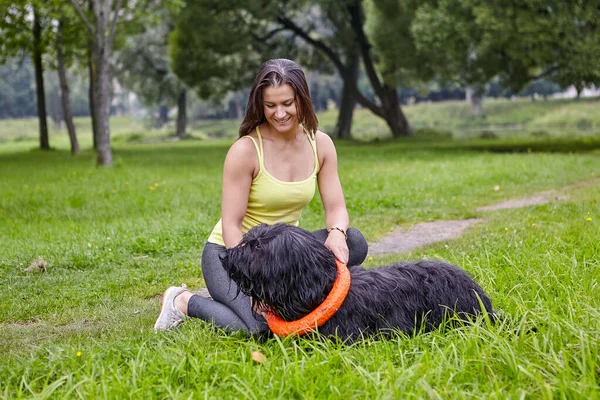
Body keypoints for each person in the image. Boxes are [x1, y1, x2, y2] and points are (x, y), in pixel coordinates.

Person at [154, 59, 368, 333]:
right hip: (233, 253)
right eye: (271, 106)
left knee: (355, 242)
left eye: (287, 103)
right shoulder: (246, 150)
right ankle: (183, 301)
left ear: (302, 100)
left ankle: (292, 292)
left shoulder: (321, 144)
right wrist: (256, 281)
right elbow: (231, 224)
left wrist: (337, 232)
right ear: (260, 105)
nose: (279, 113)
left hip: (284, 255)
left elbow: (337, 207)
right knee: (261, 328)